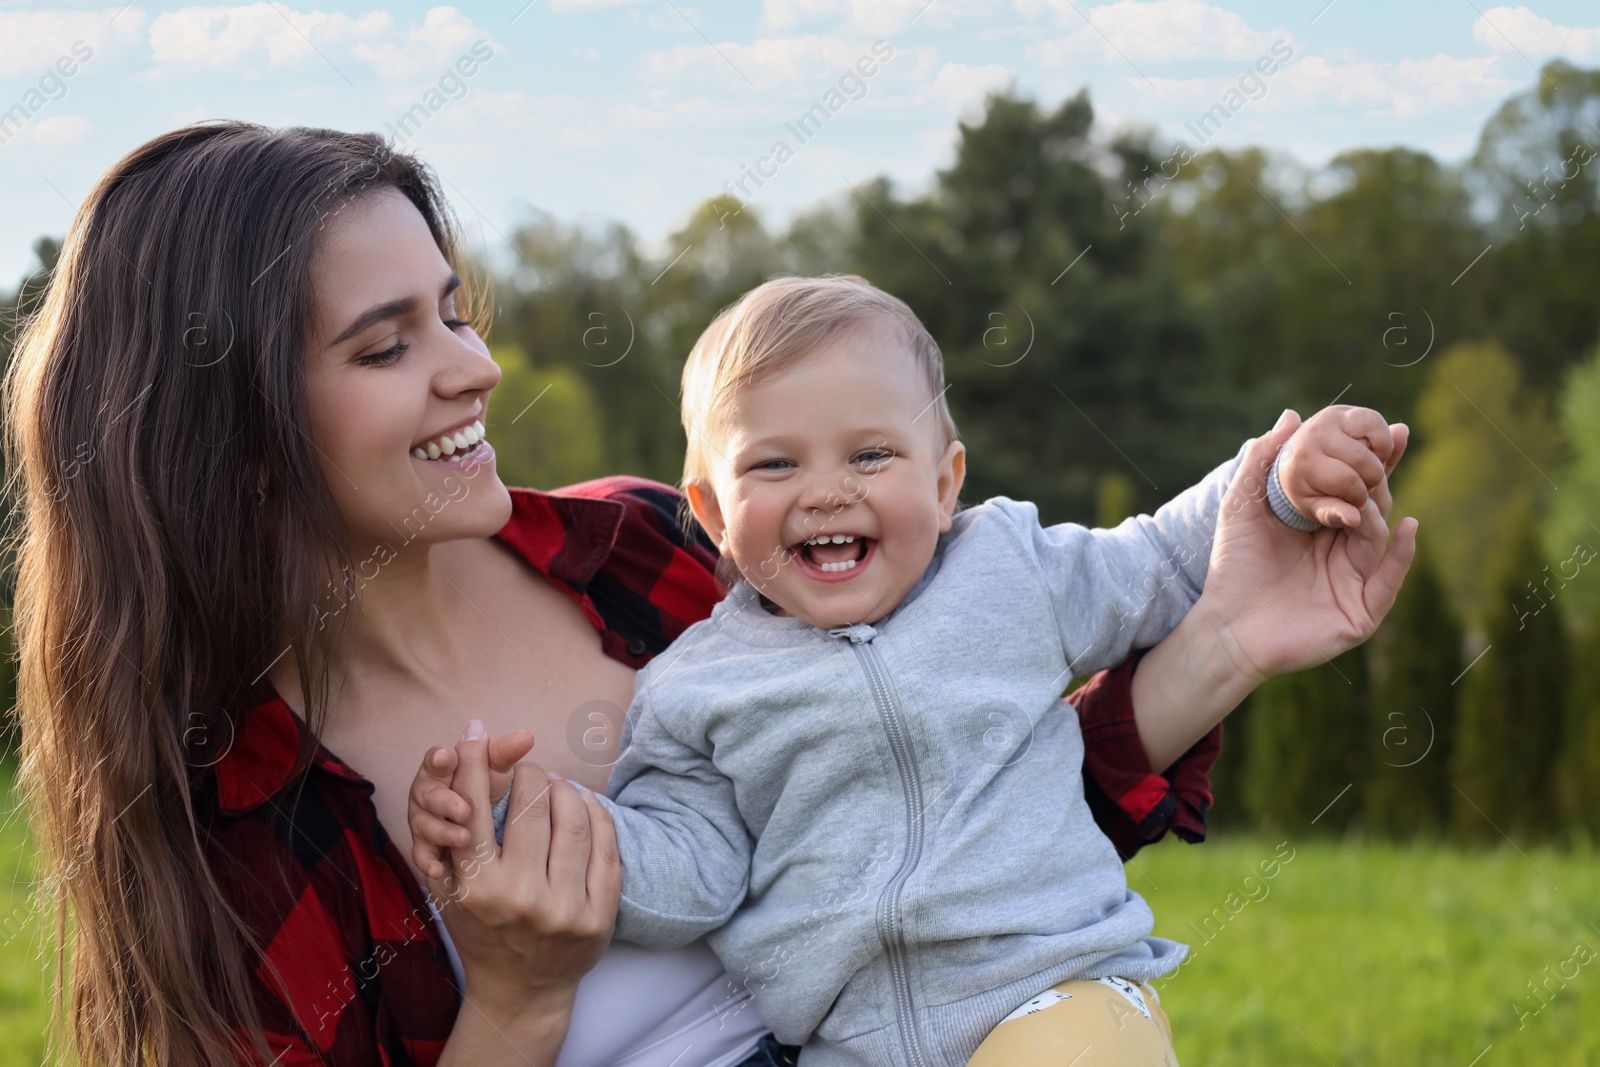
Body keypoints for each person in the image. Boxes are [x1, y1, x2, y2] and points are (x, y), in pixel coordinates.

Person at [1, 123, 1277, 1067]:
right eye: (387, 345)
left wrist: (1220, 639)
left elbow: (958, 822)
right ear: (229, 430)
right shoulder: (242, 822)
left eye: (453, 312)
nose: (478, 367)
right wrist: (516, 996)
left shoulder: (653, 552)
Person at [412, 276, 1416, 1065]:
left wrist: (1276, 484)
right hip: (845, 1044)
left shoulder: (1009, 571)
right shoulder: (697, 686)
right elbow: (693, 864)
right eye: (773, 465)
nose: (823, 492)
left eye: (869, 456)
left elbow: (1156, 555)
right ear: (712, 514)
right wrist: (520, 825)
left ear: (944, 484)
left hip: (1055, 992)